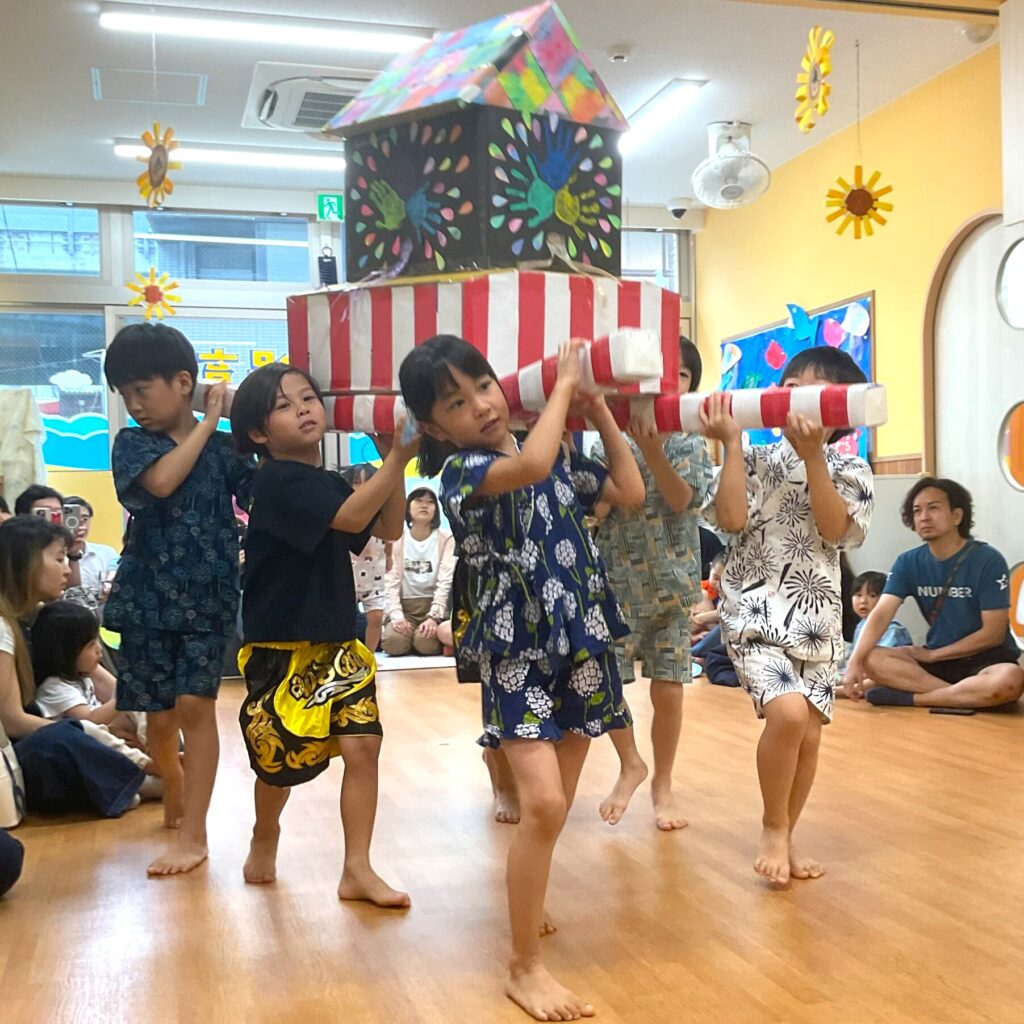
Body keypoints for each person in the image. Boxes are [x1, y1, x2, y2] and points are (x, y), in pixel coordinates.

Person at [400, 334, 644, 1022]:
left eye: (483, 385)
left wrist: (597, 415)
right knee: (541, 804)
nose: (480, 405)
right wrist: (566, 383)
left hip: (578, 637)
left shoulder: (559, 452)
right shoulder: (461, 472)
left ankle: (527, 909)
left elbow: (627, 491)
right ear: (432, 426)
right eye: (456, 401)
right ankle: (524, 967)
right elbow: (532, 463)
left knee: (554, 805)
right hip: (515, 645)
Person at [230, 362, 416, 906]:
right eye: (283, 406)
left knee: (364, 747)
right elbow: (350, 514)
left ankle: (356, 867)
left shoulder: (328, 481)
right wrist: (399, 455)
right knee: (283, 758)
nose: (303, 409)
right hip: (281, 640)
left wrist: (391, 460)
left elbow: (386, 526)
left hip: (337, 637)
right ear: (260, 433)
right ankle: (266, 831)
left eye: (307, 398)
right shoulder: (275, 480)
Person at [701, 346, 874, 887]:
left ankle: (789, 833)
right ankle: (774, 828)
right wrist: (731, 442)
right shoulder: (754, 458)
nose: (790, 398)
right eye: (787, 385)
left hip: (819, 618)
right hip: (754, 611)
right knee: (789, 716)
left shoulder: (851, 467)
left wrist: (815, 457)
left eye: (807, 390)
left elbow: (831, 529)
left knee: (810, 737)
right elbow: (729, 518)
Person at [103, 322, 254, 876]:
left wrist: (248, 420)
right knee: (159, 720)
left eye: (142, 388)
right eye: (125, 394)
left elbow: (262, 492)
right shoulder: (132, 444)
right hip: (147, 596)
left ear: (183, 381)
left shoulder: (223, 449)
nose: (133, 403)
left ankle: (196, 833)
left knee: (195, 707)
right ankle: (174, 782)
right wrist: (211, 418)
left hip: (208, 595)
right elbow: (162, 483)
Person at [592, 336, 712, 831]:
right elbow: (598, 506)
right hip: (615, 579)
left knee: (669, 686)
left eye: (681, 376)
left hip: (672, 580)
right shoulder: (604, 437)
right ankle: (630, 762)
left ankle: (663, 782)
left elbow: (684, 499)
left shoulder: (689, 438)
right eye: (661, 373)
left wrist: (650, 448)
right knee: (603, 679)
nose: (668, 384)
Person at [0, 516, 144, 818]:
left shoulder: (40, 616)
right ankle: (149, 777)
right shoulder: (3, 627)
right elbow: (12, 723)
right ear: (27, 563)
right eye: (59, 558)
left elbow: (103, 678)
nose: (68, 568)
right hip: (23, 753)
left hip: (53, 732)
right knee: (63, 739)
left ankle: (140, 769)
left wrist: (129, 709)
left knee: (140, 706)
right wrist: (94, 731)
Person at [844, 478, 1024, 709]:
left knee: (1011, 679)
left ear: (957, 516)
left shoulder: (988, 560)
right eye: (917, 511)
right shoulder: (908, 562)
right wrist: (854, 662)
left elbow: (993, 633)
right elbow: (880, 615)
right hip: (936, 665)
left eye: (934, 508)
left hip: (986, 659)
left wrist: (933, 656)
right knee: (871, 658)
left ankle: (913, 698)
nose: (924, 517)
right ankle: (966, 695)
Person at [31, 601, 160, 786]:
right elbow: (89, 722)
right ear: (65, 653)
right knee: (102, 724)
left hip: (114, 742)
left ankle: (157, 747)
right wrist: (124, 697)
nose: (99, 649)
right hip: (91, 754)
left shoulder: (83, 676)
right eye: (91, 644)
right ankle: (152, 765)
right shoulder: (54, 687)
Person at [381, 488, 456, 657]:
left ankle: (421, 637)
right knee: (394, 643)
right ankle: (407, 636)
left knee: (426, 645)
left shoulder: (446, 539)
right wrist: (397, 616)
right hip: (406, 608)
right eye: (418, 501)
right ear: (407, 507)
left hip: (431, 605)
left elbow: (445, 580)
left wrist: (434, 616)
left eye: (430, 502)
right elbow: (390, 581)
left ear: (436, 509)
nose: (424, 505)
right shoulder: (396, 539)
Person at [343, 464, 389, 654]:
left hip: (373, 577)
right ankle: (346, 654)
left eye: (367, 482)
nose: (361, 487)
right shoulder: (345, 511)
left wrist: (390, 557)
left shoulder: (381, 511)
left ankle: (369, 655)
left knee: (376, 617)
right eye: (356, 482)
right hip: (347, 577)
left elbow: (390, 535)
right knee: (344, 620)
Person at [62, 496, 119, 611]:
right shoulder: (53, 556)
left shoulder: (106, 553)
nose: (80, 526)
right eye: (73, 520)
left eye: (84, 519)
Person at [844, 571, 912, 667]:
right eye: (858, 595)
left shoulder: (893, 631)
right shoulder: (860, 626)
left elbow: (883, 665)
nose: (863, 601)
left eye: (872, 595)